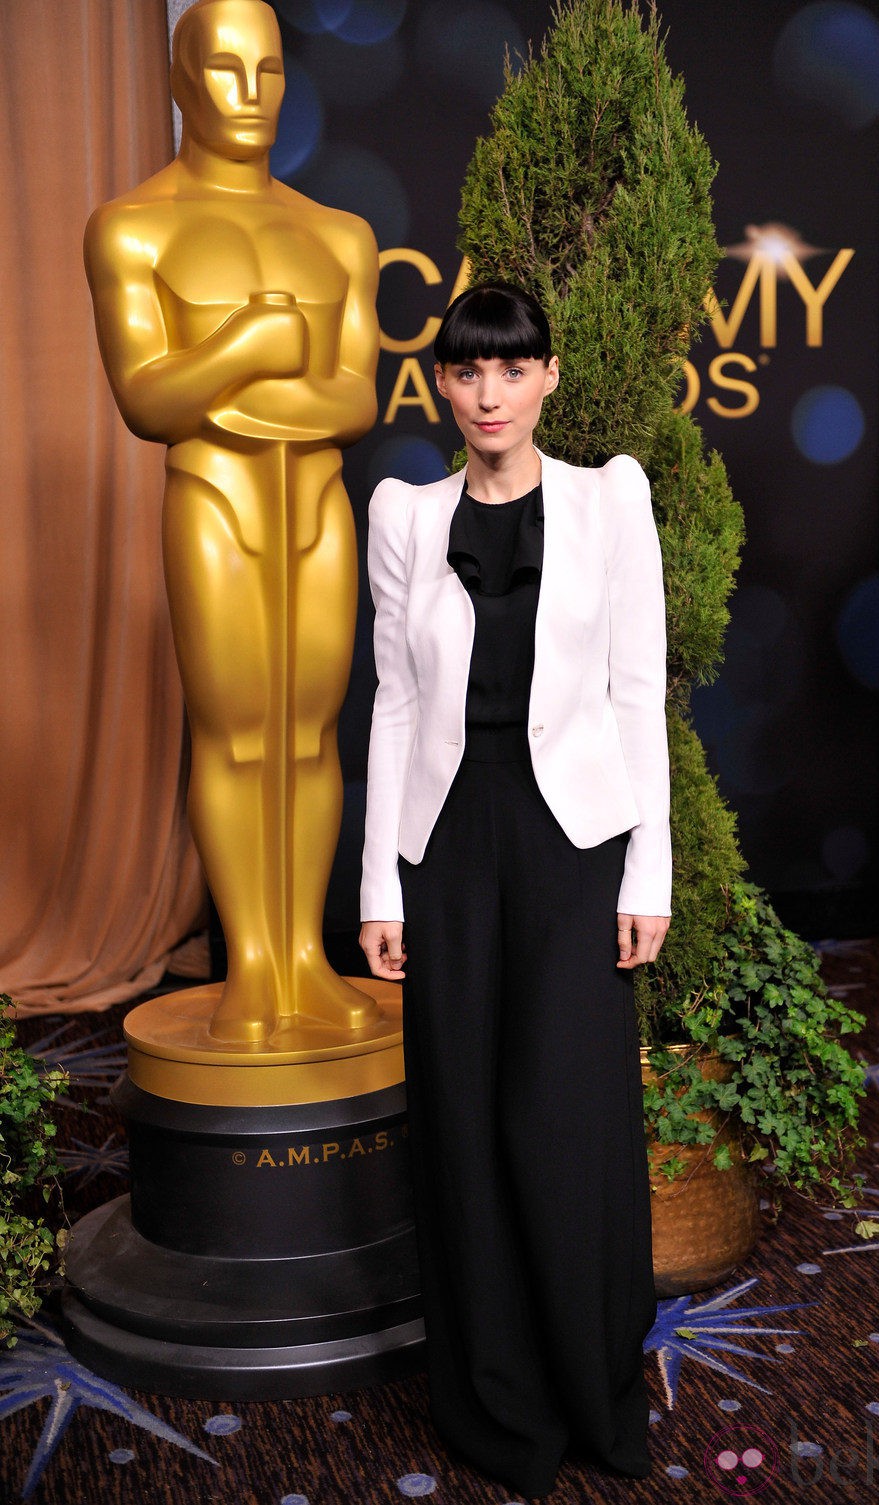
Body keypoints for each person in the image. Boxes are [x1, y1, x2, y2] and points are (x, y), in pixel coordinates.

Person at [359, 282, 670, 1497]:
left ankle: (592, 1391)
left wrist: (645, 868)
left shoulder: (608, 501)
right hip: (448, 843)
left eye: (512, 367)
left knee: (567, 1121)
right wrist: (380, 883)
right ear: (441, 384)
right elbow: (390, 702)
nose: (488, 392)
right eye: (466, 370)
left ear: (547, 378)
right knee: (463, 1120)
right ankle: (496, 1404)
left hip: (569, 840)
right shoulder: (404, 514)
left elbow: (637, 693)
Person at [84, 0, 382, 1044]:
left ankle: (303, 953)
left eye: (267, 73)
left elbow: (354, 402)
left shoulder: (334, 233)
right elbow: (148, 403)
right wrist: (255, 343)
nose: (250, 96)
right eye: (222, 71)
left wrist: (221, 387)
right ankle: (250, 960)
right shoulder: (134, 227)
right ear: (179, 80)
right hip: (213, 501)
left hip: (314, 505)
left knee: (307, 735)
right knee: (236, 733)